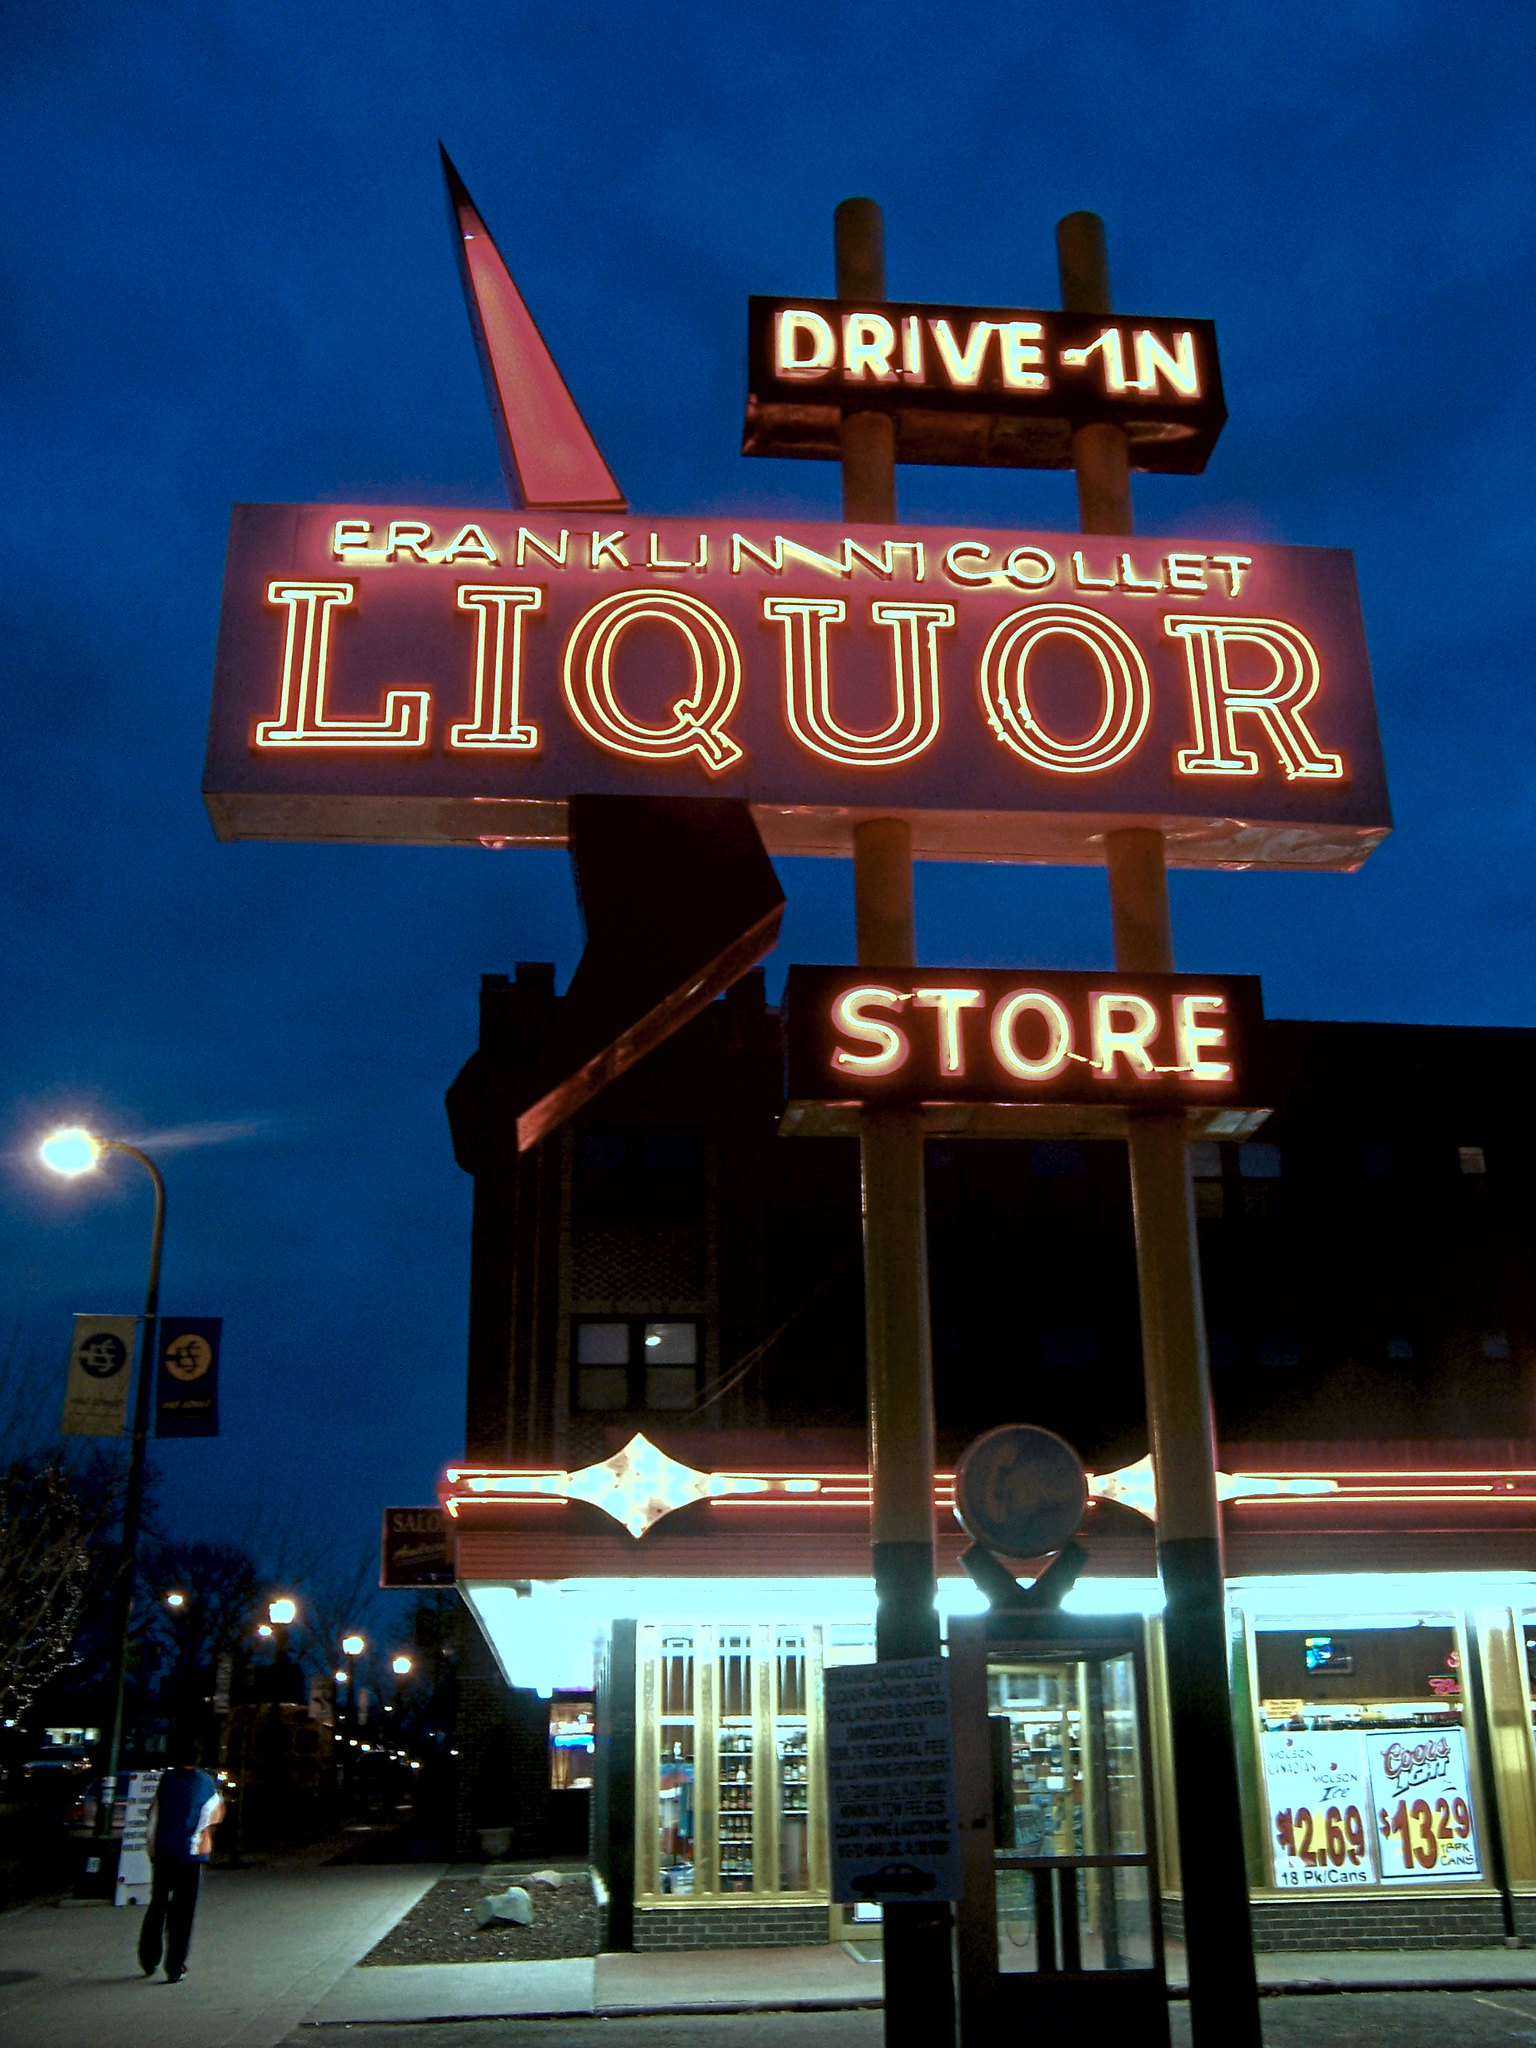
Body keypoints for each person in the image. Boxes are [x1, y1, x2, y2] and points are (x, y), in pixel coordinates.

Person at [137, 1737, 224, 1983]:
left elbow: (152, 1818)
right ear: (197, 1759)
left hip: (165, 1853)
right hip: (192, 1856)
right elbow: (211, 1817)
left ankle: (148, 1958)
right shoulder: (206, 1784)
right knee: (183, 1913)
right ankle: (175, 1966)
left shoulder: (166, 1781)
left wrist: (152, 1850)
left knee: (158, 1905)